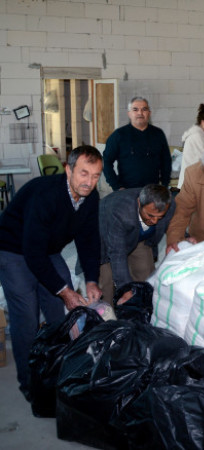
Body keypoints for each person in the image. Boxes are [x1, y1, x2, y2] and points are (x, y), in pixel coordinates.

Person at [0, 145, 103, 400]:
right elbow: (32, 253)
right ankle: (30, 383)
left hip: (47, 248)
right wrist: (64, 291)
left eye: (96, 175)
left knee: (59, 310)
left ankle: (56, 368)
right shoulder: (45, 195)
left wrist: (91, 279)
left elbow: (89, 239)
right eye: (83, 173)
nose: (89, 182)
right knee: (27, 312)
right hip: (13, 248)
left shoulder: (90, 197)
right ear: (68, 169)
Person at [98, 184, 175, 303]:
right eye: (150, 215)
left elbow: (174, 225)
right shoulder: (119, 213)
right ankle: (109, 319)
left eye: (159, 217)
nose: (154, 221)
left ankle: (140, 309)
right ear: (139, 203)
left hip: (136, 235)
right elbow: (117, 253)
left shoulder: (168, 204)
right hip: (101, 237)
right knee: (106, 287)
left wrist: (183, 238)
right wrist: (125, 288)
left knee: (146, 276)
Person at [103, 96, 172, 191]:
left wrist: (164, 184)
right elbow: (106, 161)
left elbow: (166, 161)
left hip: (153, 191)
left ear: (149, 113)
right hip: (127, 191)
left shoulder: (158, 134)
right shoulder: (119, 135)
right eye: (135, 109)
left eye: (144, 109)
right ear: (129, 114)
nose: (140, 113)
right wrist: (117, 186)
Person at [178, 104, 204, 189]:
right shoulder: (197, 136)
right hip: (192, 182)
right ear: (203, 122)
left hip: (194, 180)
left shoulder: (200, 134)